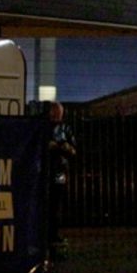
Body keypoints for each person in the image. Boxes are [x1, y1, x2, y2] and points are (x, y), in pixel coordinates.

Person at [47, 101, 76, 249]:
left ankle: (54, 232)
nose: (57, 115)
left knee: (56, 200)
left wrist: (66, 147)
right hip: (47, 169)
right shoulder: (44, 127)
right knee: (47, 200)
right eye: (54, 112)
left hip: (59, 170)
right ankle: (48, 232)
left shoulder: (65, 128)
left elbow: (73, 150)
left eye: (59, 113)